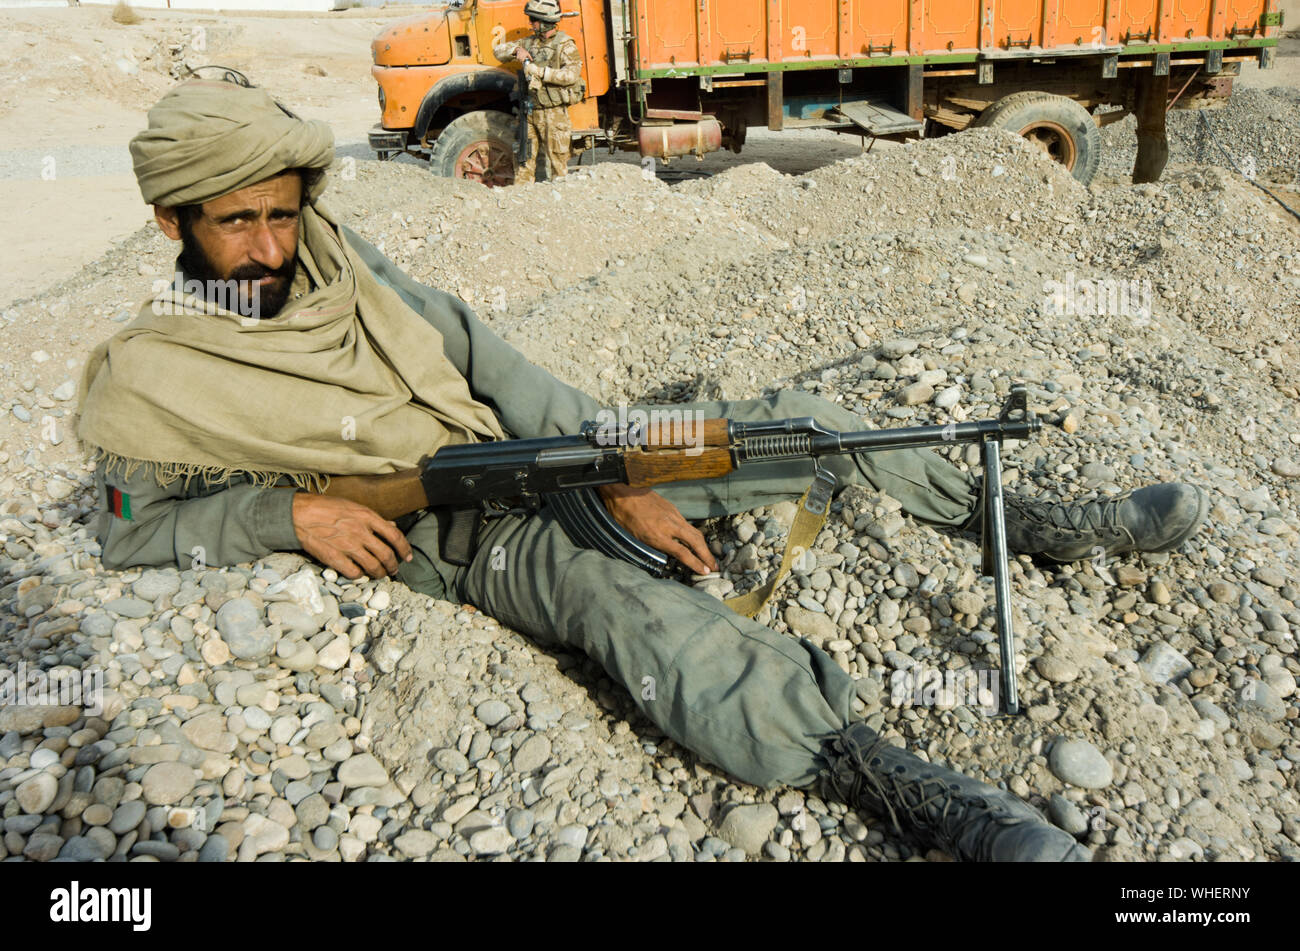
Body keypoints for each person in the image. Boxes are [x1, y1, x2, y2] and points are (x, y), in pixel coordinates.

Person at [77, 79, 1210, 863]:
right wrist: (288, 513)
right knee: (620, 598)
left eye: (282, 213)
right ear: (174, 217)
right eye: (236, 224)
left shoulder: (336, 256)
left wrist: (613, 465)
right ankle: (885, 778)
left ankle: (1025, 519)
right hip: (460, 531)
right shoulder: (154, 368)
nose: (270, 247)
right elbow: (130, 519)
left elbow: (475, 350)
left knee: (797, 427)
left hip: (540, 446)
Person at [492, 0, 584, 184]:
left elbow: (571, 76)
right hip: (530, 112)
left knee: (559, 165)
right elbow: (498, 50)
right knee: (523, 161)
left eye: (533, 20)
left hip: (554, 113)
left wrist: (541, 72)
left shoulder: (565, 45)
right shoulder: (529, 42)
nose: (530, 24)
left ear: (545, 22)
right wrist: (517, 49)